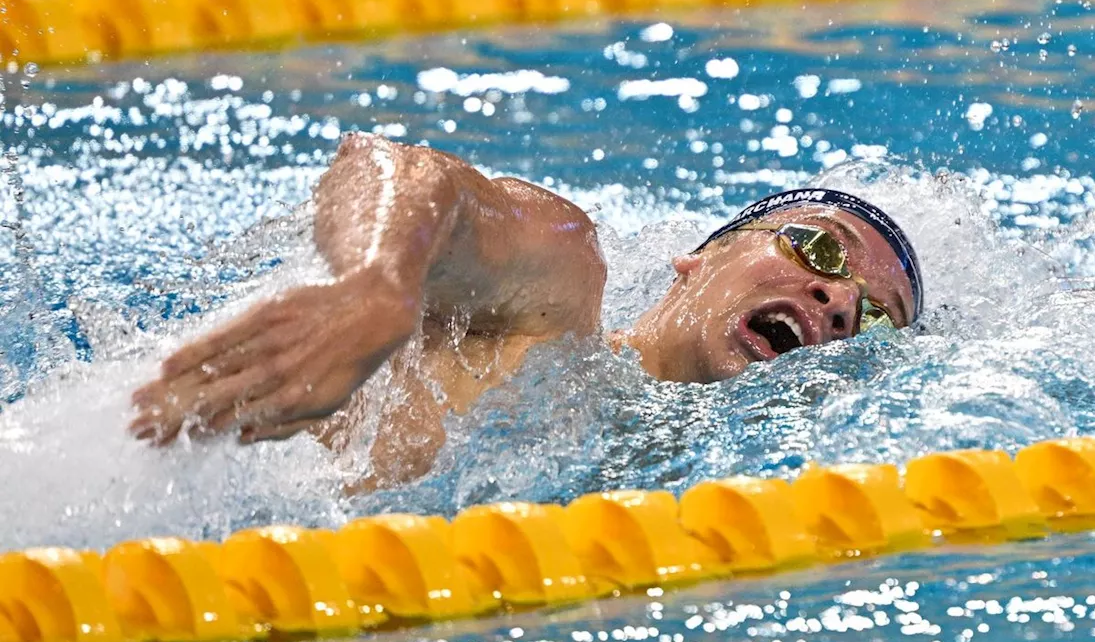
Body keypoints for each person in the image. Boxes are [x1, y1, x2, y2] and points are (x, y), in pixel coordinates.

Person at [129, 131, 924, 486]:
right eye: (818, 249)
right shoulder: (555, 301)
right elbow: (396, 169)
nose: (841, 297)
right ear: (700, 256)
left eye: (876, 314)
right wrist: (378, 288)